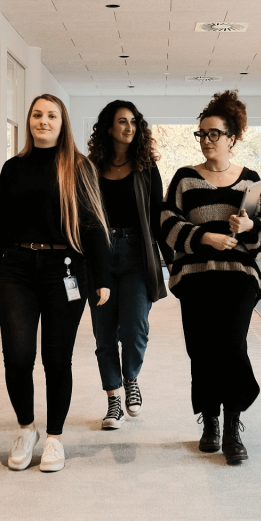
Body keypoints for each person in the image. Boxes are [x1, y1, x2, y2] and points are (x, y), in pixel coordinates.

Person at [0, 94, 111, 473]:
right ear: (29, 121)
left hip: (65, 268)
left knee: (56, 359)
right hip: (17, 267)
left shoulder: (79, 167)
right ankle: (26, 429)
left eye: (51, 115)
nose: (43, 121)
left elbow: (93, 225)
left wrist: (102, 277)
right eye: (37, 114)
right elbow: (0, 224)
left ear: (62, 122)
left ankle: (54, 437)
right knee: (18, 358)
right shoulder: (13, 168)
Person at [160, 90, 261, 465]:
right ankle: (209, 419)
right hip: (195, 275)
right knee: (201, 348)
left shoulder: (251, 182)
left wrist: (248, 226)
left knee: (230, 344)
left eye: (214, 134)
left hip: (239, 276)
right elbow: (165, 223)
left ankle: (231, 425)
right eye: (202, 134)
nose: (207, 141)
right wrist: (203, 237)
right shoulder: (184, 178)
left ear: (233, 138)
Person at [86, 101, 172, 430]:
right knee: (104, 333)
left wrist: (172, 261)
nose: (129, 127)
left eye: (133, 122)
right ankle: (113, 401)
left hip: (137, 254)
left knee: (135, 326)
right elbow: (84, 216)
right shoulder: (92, 167)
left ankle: (131, 377)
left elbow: (157, 217)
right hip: (101, 254)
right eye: (122, 122)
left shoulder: (146, 166)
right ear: (109, 127)